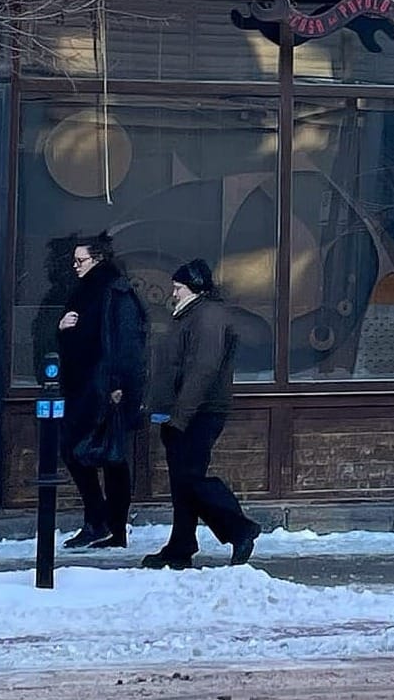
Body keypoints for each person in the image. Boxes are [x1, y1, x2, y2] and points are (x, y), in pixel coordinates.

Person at [142, 259, 262, 570]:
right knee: (183, 482)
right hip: (183, 411)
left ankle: (240, 529)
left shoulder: (207, 317)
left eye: (179, 287)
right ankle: (180, 546)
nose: (174, 292)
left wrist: (180, 416)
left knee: (190, 479)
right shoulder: (191, 315)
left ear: (195, 287)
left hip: (199, 412)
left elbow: (203, 370)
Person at [57, 236, 147, 549]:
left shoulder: (114, 292)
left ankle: (109, 525)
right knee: (85, 453)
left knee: (107, 457)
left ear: (96, 259)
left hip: (104, 389)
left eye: (80, 260)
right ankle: (103, 522)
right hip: (86, 385)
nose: (75, 266)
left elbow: (127, 344)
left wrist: (119, 385)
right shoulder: (87, 292)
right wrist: (63, 329)